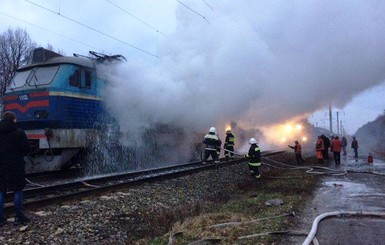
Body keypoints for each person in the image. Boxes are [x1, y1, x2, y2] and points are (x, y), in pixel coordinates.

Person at [0, 111, 31, 226]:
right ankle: (18, 217)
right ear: (13, 119)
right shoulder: (19, 132)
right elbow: (26, 148)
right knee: (18, 190)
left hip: (0, 165)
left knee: (0, 190)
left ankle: (0, 218)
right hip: (16, 165)